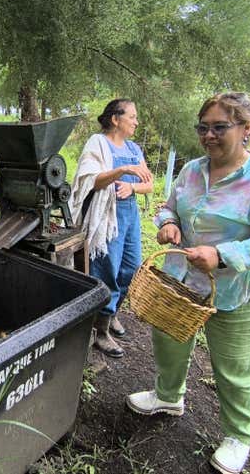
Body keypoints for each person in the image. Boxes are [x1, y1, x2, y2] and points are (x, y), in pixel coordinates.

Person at [125, 92, 250, 474]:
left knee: (235, 366)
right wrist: (168, 223)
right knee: (169, 340)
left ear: (246, 129)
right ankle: (168, 396)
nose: (209, 135)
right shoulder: (191, 171)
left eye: (220, 127)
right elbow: (169, 206)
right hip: (182, 282)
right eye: (203, 127)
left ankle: (238, 436)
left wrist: (221, 256)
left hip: (236, 290)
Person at [69, 99, 153, 358]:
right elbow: (91, 181)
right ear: (116, 119)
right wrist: (122, 171)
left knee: (131, 267)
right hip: (107, 215)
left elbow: (148, 184)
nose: (136, 122)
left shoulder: (134, 148)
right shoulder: (98, 143)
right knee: (108, 269)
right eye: (133, 116)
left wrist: (132, 187)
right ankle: (101, 329)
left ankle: (113, 312)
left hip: (129, 215)